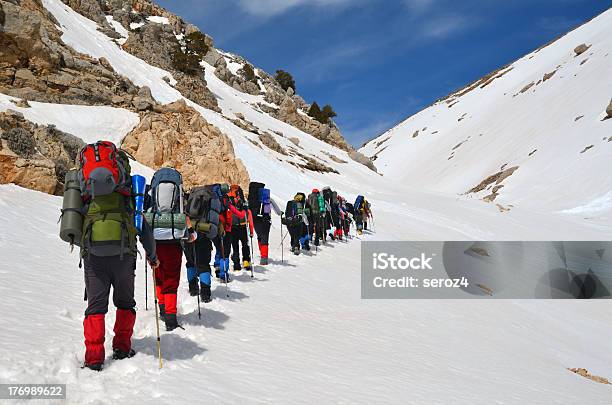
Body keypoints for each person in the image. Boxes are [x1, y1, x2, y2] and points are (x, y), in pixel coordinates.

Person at [76, 141, 159, 371]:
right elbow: (142, 226)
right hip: (124, 255)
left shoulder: (87, 192)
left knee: (95, 307)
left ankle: (93, 358)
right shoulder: (129, 191)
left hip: (94, 256)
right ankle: (122, 347)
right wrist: (152, 256)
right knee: (125, 302)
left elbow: (75, 221)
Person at [146, 168, 196, 331]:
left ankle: (162, 309)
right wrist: (191, 235)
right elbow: (187, 229)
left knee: (159, 278)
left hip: (154, 244)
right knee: (171, 281)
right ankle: (171, 318)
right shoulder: (180, 202)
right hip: (173, 245)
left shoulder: (151, 197)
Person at [248, 182, 282, 265]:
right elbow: (277, 210)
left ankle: (262, 254)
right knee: (264, 237)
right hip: (265, 220)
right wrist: (280, 213)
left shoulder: (251, 199)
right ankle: (264, 258)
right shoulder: (267, 198)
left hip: (255, 220)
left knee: (260, 236)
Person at [228, 184, 254, 271]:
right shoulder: (243, 201)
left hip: (232, 227)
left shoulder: (228, 200)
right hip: (243, 226)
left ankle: (236, 264)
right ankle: (246, 261)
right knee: (245, 245)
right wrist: (251, 230)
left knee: (235, 246)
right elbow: (249, 216)